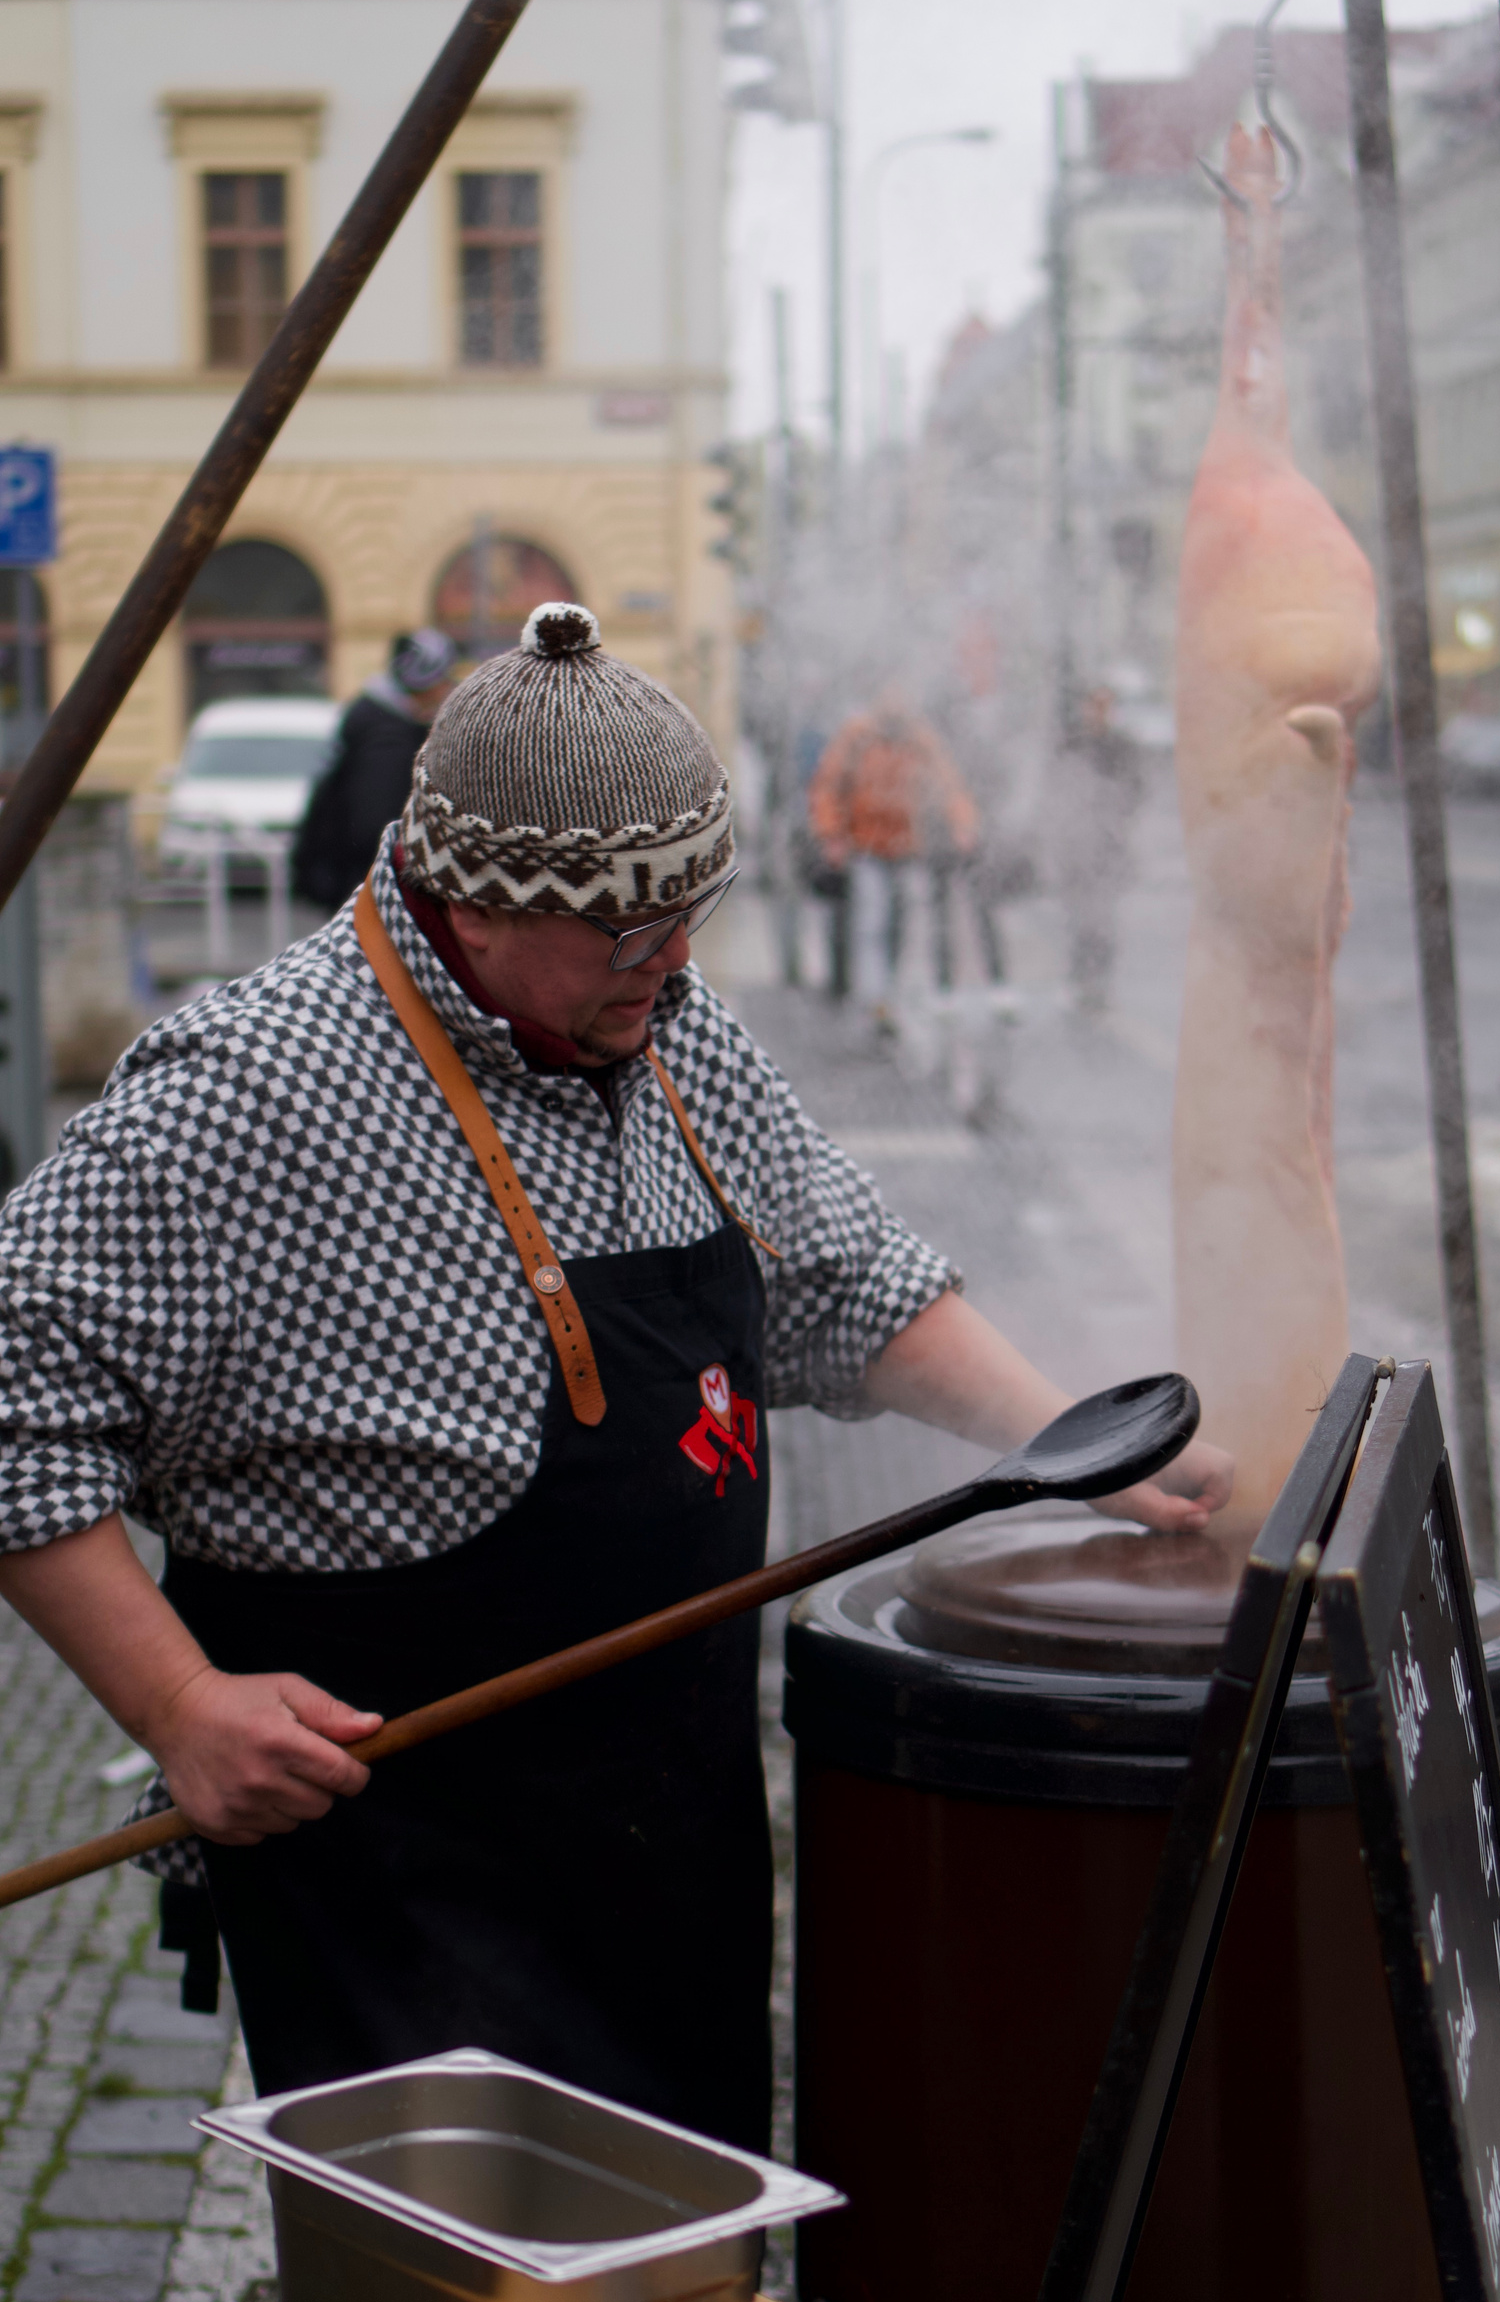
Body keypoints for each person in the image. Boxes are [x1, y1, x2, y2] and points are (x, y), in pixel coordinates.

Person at [0, 604, 1230, 2151]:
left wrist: (1069, 1437)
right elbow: (14, 1406)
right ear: (471, 904)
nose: (673, 964)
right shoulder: (248, 1097)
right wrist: (180, 1703)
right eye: (628, 933)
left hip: (666, 1825)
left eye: (689, 917)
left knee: (682, 2234)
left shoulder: (664, 1030)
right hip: (409, 1878)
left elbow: (847, 1280)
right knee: (470, 2288)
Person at [807, 690, 979, 1031]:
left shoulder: (919, 739)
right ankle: (877, 999)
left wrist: (962, 823)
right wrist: (832, 835)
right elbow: (829, 785)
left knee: (900, 923)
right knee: (873, 921)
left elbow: (949, 784)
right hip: (866, 846)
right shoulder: (857, 737)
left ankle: (889, 990)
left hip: (906, 847)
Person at [291, 627, 458, 911]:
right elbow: (377, 826)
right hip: (370, 886)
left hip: (351, 878)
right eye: (445, 677)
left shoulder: (375, 714)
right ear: (426, 681)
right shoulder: (388, 735)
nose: (449, 687)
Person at [1054, 684, 1146, 1018]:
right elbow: (1055, 790)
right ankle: (1080, 980)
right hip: (1076, 847)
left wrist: (1113, 816)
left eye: (1104, 706)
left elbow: (1135, 790)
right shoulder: (1071, 743)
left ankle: (1100, 983)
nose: (1097, 713)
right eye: (1093, 706)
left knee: (1103, 920)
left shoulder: (1121, 747)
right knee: (1079, 919)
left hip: (1107, 847)